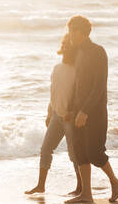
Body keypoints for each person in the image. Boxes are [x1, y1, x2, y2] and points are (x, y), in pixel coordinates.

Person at [64, 15, 118, 204]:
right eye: (69, 30)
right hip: (78, 111)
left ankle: (115, 181)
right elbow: (76, 85)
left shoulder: (98, 51)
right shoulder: (78, 52)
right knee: (80, 151)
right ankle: (87, 194)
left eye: (72, 31)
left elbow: (99, 86)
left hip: (95, 112)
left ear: (82, 32)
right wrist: (71, 109)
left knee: (95, 153)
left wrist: (85, 111)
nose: (69, 35)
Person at [25, 34, 82, 195]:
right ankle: (40, 185)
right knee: (45, 149)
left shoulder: (77, 70)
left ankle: (80, 186)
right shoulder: (57, 69)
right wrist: (49, 112)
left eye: (67, 46)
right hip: (56, 116)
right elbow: (54, 93)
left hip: (70, 118)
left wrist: (73, 113)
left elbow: (78, 95)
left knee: (74, 153)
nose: (64, 48)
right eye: (63, 45)